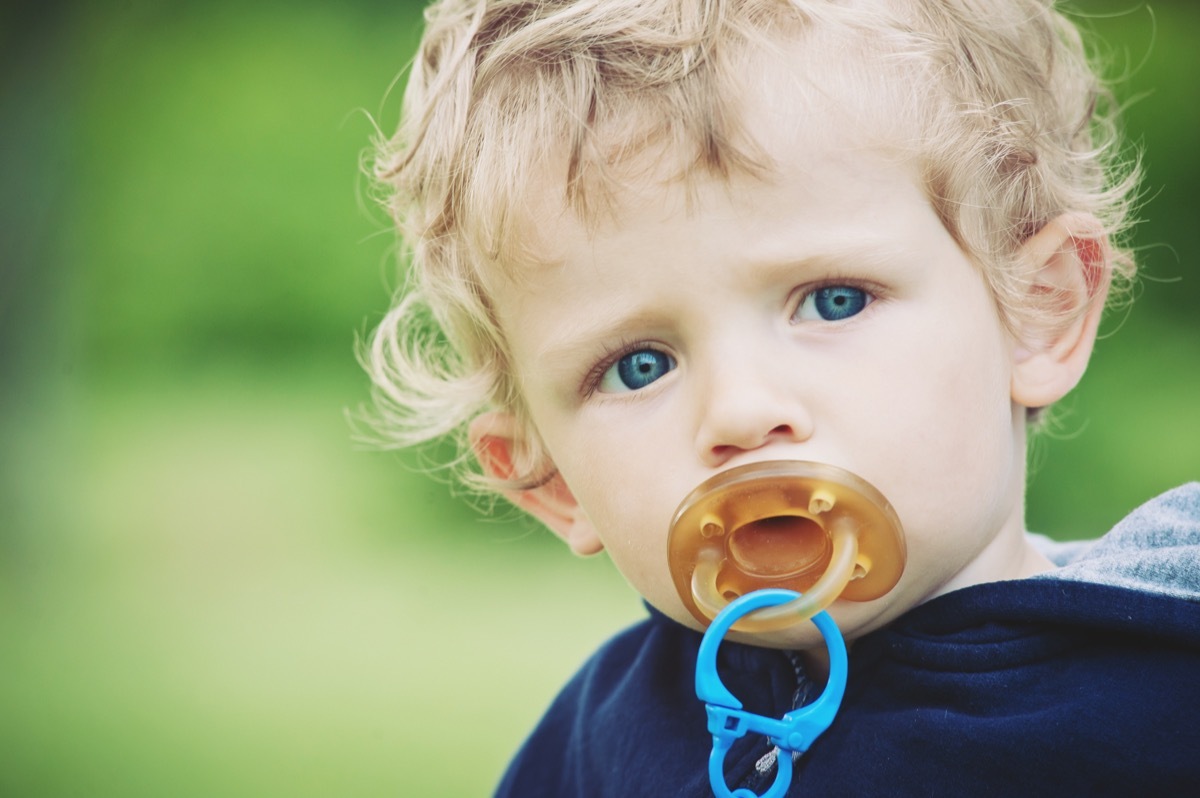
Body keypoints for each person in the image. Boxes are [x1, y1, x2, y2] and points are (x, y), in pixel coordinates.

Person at [362, 0, 1200, 794]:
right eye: (638, 367)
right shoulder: (598, 751)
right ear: (551, 481)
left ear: (1037, 311)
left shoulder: (1160, 687)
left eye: (834, 300)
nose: (739, 410)